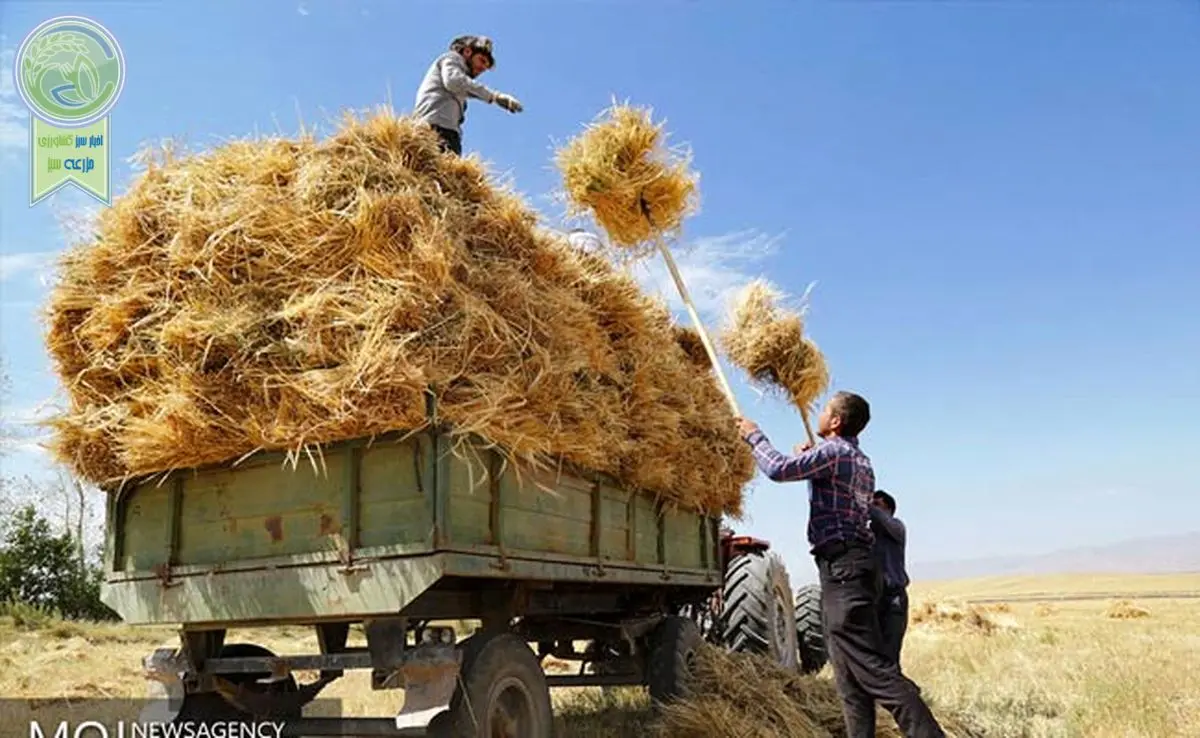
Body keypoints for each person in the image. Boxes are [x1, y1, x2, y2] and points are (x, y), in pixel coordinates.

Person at [737, 392, 945, 738]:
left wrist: (753, 435)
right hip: (850, 568)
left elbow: (776, 469)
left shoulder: (834, 453)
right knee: (849, 681)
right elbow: (830, 496)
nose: (819, 414)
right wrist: (810, 461)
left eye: (825, 410)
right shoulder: (859, 460)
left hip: (844, 569)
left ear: (835, 421)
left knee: (873, 669)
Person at [412, 35, 523, 155]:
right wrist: (494, 96)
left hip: (444, 131)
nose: (483, 68)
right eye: (482, 60)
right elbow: (454, 81)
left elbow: (464, 85)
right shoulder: (452, 58)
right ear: (467, 52)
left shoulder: (461, 86)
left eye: (486, 67)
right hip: (436, 129)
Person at [870, 489, 910, 668]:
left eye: (877, 504)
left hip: (893, 598)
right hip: (874, 599)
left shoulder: (896, 527)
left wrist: (862, 501)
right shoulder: (868, 535)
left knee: (890, 654)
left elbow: (879, 517)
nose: (871, 507)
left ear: (889, 509)